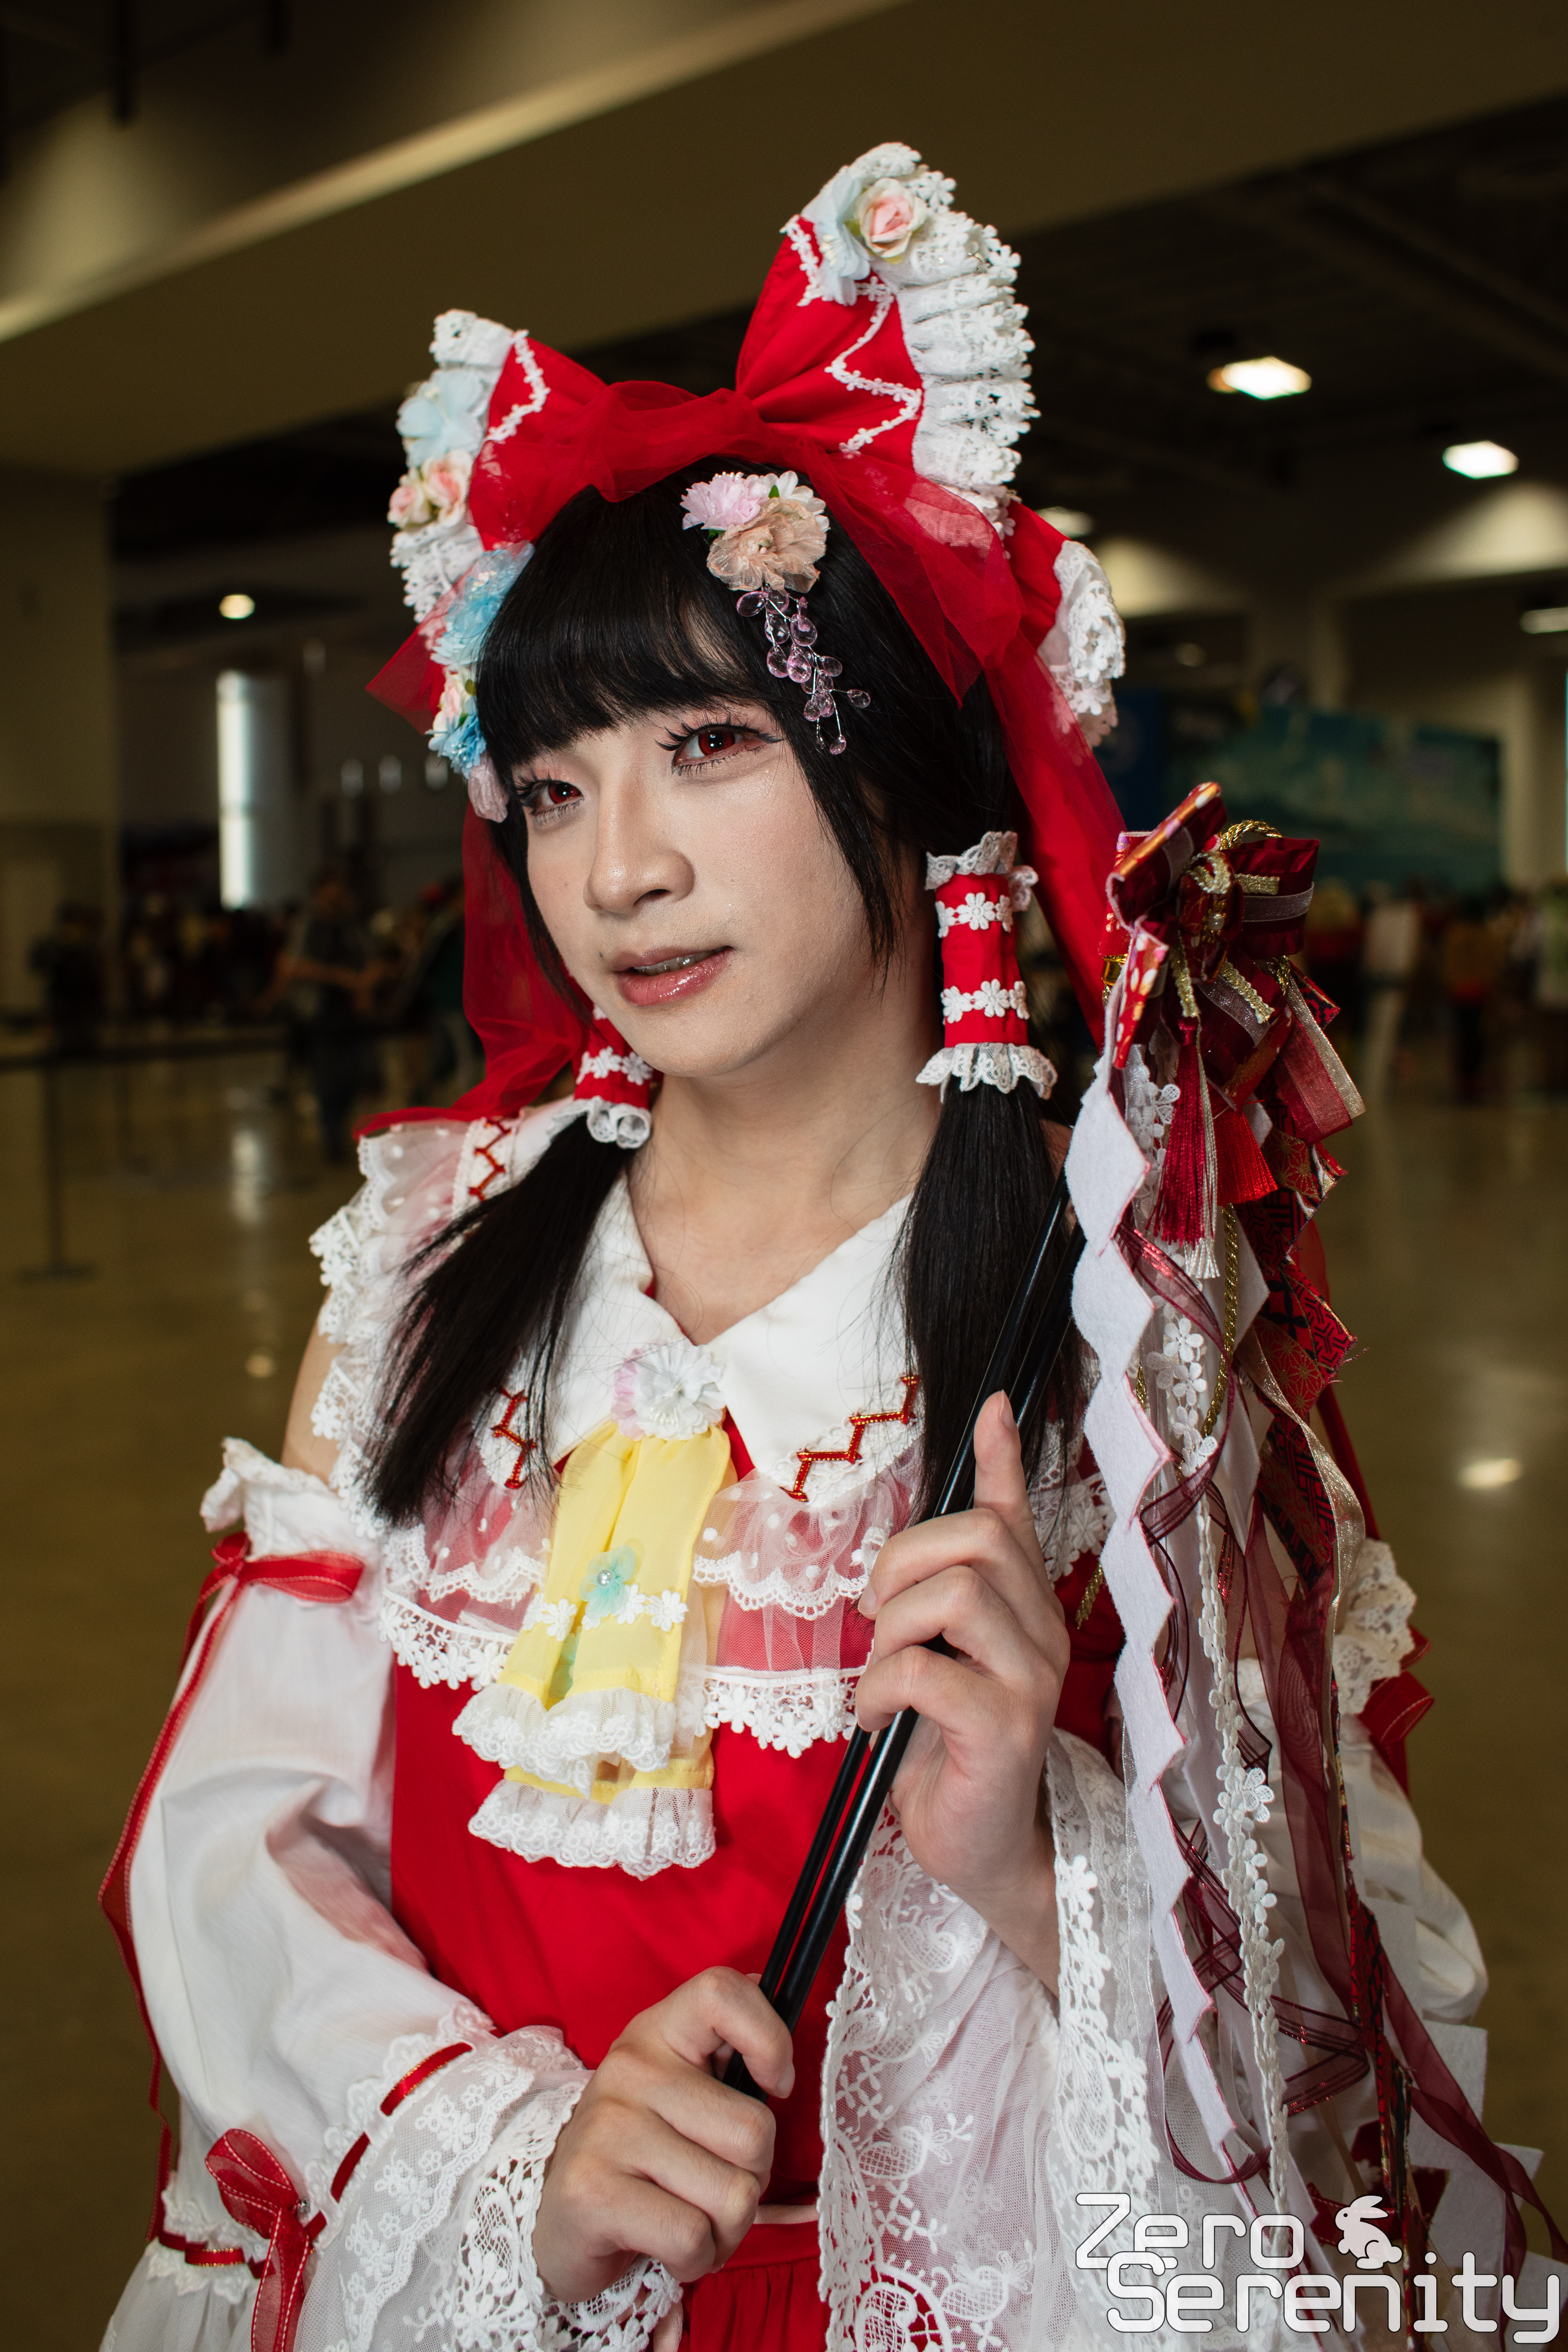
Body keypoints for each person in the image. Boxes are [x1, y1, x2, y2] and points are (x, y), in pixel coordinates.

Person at [102, 146, 1555, 2352]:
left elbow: (1354, 2027)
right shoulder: (423, 1263)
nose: (617, 869)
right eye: (555, 785)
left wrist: (1033, 1857)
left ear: (901, 776)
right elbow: (239, 1842)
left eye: (706, 748)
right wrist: (500, 2162)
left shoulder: (1126, 1316)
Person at [264, 865, 381, 1160]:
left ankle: (337, 1124)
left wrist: (364, 987)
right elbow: (293, 965)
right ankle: (331, 1134)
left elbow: (373, 961)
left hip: (351, 1015)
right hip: (318, 1013)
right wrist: (341, 978)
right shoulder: (308, 926)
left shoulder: (353, 926)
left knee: (354, 1075)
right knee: (327, 1078)